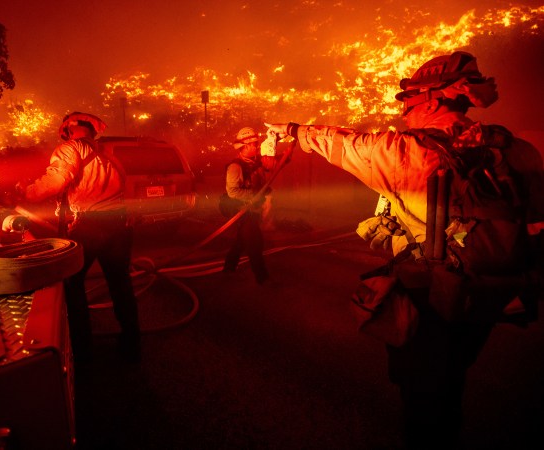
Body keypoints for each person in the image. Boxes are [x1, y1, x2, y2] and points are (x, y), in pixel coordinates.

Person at [267, 51, 544, 449]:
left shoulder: (401, 151)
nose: (406, 112)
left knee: (423, 395)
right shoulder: (517, 151)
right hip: (492, 290)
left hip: (430, 293)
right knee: (453, 378)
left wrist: (293, 130)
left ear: (431, 99)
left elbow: (344, 145)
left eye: (410, 102)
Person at [17, 111, 141, 364]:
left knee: (72, 284)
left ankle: (82, 350)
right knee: (120, 284)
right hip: (118, 224)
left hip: (92, 225)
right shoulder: (109, 156)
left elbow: (56, 181)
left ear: (69, 129)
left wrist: (26, 193)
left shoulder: (70, 149)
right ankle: (132, 344)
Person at [221, 127, 278, 285]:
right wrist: (253, 197)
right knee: (254, 243)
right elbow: (232, 192)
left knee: (241, 241)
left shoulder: (256, 162)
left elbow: (272, 164)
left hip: (252, 209)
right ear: (244, 147)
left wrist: (277, 145)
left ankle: (229, 267)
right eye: (253, 144)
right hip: (242, 210)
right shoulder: (235, 167)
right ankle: (263, 278)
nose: (256, 146)